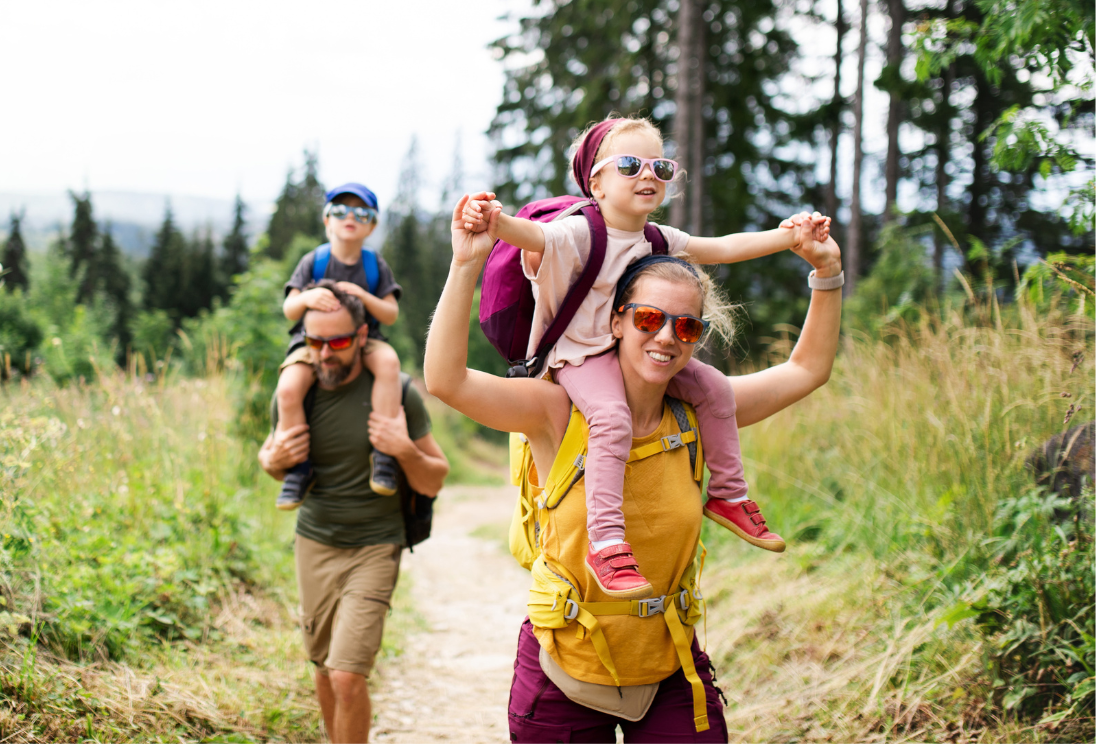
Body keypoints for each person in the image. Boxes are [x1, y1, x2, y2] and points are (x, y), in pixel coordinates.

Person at [426, 194, 842, 741]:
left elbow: (807, 369)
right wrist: (465, 264)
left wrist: (828, 273)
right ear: (615, 322)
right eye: (649, 319)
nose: (667, 337)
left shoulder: (701, 413)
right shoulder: (557, 411)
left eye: (687, 328)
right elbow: (446, 381)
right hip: (562, 670)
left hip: (670, 667)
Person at [461, 116, 831, 597]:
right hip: (579, 359)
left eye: (661, 166)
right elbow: (532, 237)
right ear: (596, 181)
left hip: (625, 352)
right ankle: (608, 542)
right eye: (631, 165)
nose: (648, 175)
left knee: (715, 387)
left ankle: (727, 495)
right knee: (611, 417)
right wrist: (490, 221)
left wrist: (790, 238)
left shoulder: (656, 239)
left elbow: (719, 249)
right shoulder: (577, 233)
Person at [258, 282, 449, 743]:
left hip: (374, 546)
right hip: (315, 543)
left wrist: (402, 449)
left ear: (363, 336)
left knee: (347, 674)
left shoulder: (399, 393)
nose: (325, 353)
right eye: (314, 342)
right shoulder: (296, 392)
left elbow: (434, 477)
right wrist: (271, 460)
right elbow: (271, 460)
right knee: (323, 670)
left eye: (338, 341)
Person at [275, 183, 405, 510]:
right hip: (315, 342)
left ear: (372, 225)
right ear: (326, 221)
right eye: (340, 211)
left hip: (366, 338)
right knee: (289, 389)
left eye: (362, 213)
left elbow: (390, 313)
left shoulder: (374, 264)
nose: (350, 217)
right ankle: (298, 468)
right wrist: (305, 297)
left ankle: (384, 455)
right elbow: (290, 308)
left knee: (389, 365)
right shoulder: (314, 261)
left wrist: (364, 297)